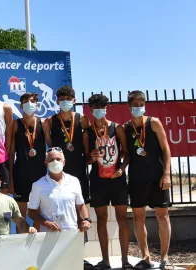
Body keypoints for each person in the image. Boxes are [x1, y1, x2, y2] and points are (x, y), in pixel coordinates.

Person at [83, 94, 132, 269]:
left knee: (122, 219)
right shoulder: (87, 132)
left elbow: (126, 153)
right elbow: (86, 160)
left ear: (106, 107)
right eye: (95, 107)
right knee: (101, 220)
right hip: (97, 181)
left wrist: (121, 169)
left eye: (102, 106)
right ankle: (105, 261)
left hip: (117, 180)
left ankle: (125, 261)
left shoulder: (117, 128)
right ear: (90, 109)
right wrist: (91, 157)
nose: (99, 110)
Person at [124, 91, 172, 270]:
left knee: (162, 216)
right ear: (128, 107)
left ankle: (165, 258)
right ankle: (146, 257)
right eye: (135, 105)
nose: (138, 108)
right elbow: (126, 154)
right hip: (137, 178)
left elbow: (166, 149)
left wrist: (166, 173)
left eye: (141, 104)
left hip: (158, 177)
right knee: (138, 217)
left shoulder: (154, 122)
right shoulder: (126, 127)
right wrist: (121, 167)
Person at [42, 85, 90, 202]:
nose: (65, 101)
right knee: (59, 200)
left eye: (68, 98)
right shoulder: (50, 121)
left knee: (80, 202)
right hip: (59, 166)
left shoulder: (82, 119)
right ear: (57, 101)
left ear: (74, 100)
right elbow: (50, 144)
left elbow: (88, 138)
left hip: (78, 165)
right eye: (62, 99)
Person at [27, 147, 92, 233]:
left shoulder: (74, 181)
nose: (55, 162)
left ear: (64, 162)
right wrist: (46, 223)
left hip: (71, 233)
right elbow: (31, 212)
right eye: (51, 160)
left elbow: (81, 205)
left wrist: (86, 219)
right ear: (46, 163)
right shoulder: (38, 185)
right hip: (48, 235)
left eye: (58, 159)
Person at [10, 92, 47, 221]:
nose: (29, 104)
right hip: (21, 173)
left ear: (37, 105)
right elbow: (11, 152)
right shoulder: (15, 124)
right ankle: (22, 241)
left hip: (40, 174)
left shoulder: (44, 123)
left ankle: (38, 241)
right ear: (21, 106)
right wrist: (10, 177)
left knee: (38, 213)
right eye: (25, 102)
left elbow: (52, 147)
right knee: (21, 214)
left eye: (32, 101)